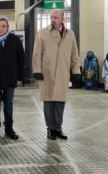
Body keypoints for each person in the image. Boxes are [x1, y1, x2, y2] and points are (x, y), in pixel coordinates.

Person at [32, 9, 80, 140]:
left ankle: (58, 129)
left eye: (56, 17)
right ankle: (50, 129)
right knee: (48, 102)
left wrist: (75, 71)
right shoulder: (42, 33)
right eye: (52, 17)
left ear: (63, 19)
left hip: (63, 73)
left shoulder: (70, 34)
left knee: (60, 102)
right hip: (46, 73)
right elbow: (37, 54)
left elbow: (74, 54)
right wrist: (37, 70)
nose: (53, 19)